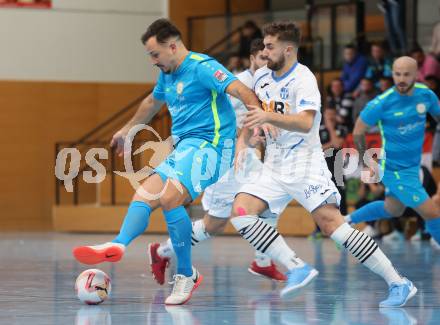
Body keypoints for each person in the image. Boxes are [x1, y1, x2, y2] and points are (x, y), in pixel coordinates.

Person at [72, 18, 263, 305]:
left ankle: (186, 275)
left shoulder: (202, 67)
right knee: (145, 193)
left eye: (155, 54)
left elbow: (243, 91)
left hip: (213, 145)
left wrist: (255, 123)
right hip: (185, 147)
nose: (153, 61)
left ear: (172, 46)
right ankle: (119, 243)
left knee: (171, 197)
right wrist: (127, 130)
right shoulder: (168, 74)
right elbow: (152, 102)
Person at [229, 21, 415, 308]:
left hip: (305, 162)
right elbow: (255, 115)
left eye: (269, 46)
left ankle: (398, 282)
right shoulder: (262, 78)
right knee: (241, 212)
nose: (264, 52)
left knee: (334, 227)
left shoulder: (304, 78)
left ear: (287, 49)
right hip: (274, 164)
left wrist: (269, 119)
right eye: (263, 46)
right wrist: (245, 140)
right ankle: (297, 267)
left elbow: (304, 123)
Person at [148, 39, 287, 285]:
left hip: (245, 158)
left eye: (270, 58)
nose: (267, 63)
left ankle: (262, 262)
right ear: (252, 58)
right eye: (262, 59)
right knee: (214, 224)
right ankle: (161, 252)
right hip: (223, 158)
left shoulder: (269, 86)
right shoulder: (237, 83)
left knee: (272, 200)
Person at [347, 56, 440, 253]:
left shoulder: (426, 96)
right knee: (432, 212)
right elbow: (358, 131)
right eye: (397, 74)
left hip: (413, 166)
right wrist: (367, 163)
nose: (401, 79)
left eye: (407, 74)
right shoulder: (381, 103)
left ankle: (346, 220)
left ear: (416, 75)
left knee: (393, 209)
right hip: (393, 169)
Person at [323, 78, 354, 215]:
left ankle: (343, 217)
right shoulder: (320, 125)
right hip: (322, 161)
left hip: (336, 158)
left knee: (339, 186)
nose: (330, 114)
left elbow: (337, 143)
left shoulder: (338, 127)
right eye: (328, 112)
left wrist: (330, 127)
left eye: (332, 112)